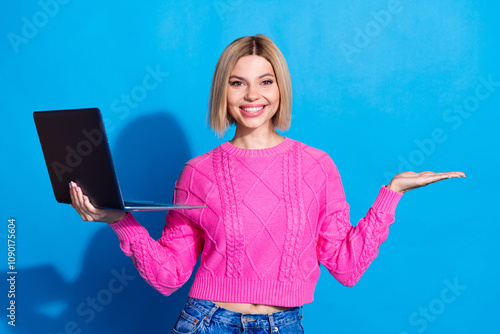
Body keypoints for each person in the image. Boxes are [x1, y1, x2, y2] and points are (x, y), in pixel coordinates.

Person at [69, 34, 465, 333]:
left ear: (281, 89)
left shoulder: (317, 166)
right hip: (207, 321)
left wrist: (390, 196)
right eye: (238, 82)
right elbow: (168, 276)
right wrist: (118, 219)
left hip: (285, 324)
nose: (252, 95)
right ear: (222, 90)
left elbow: (345, 266)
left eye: (266, 81)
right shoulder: (197, 172)